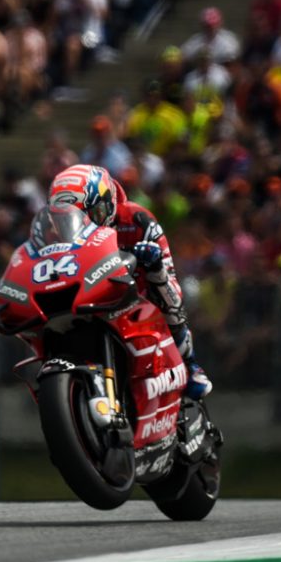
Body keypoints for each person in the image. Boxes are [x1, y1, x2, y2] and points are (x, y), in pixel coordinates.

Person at [47, 164, 212, 400]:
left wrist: (151, 260)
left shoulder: (137, 219)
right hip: (89, 295)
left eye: (88, 214)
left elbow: (167, 270)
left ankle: (190, 363)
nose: (80, 224)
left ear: (107, 203)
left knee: (166, 287)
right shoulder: (55, 237)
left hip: (137, 288)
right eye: (66, 219)